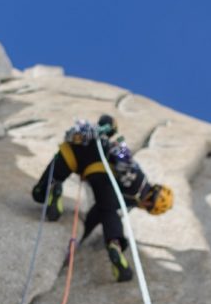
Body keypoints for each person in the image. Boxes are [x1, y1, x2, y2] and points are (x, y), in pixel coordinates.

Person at [31, 114, 174, 282]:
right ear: (149, 206)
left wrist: (83, 234)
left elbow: (94, 215)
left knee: (39, 193)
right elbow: (123, 162)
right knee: (109, 210)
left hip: (69, 153)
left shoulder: (91, 131)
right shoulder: (138, 182)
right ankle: (115, 245)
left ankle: (53, 189)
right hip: (97, 167)